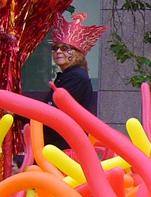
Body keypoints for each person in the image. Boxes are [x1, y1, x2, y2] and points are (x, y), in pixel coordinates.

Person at [42, 12, 107, 151]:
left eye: (65, 48)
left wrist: (18, 113)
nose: (58, 51)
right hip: (55, 147)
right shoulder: (67, 76)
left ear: (78, 53)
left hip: (66, 150)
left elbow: (53, 110)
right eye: (55, 48)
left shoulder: (76, 77)